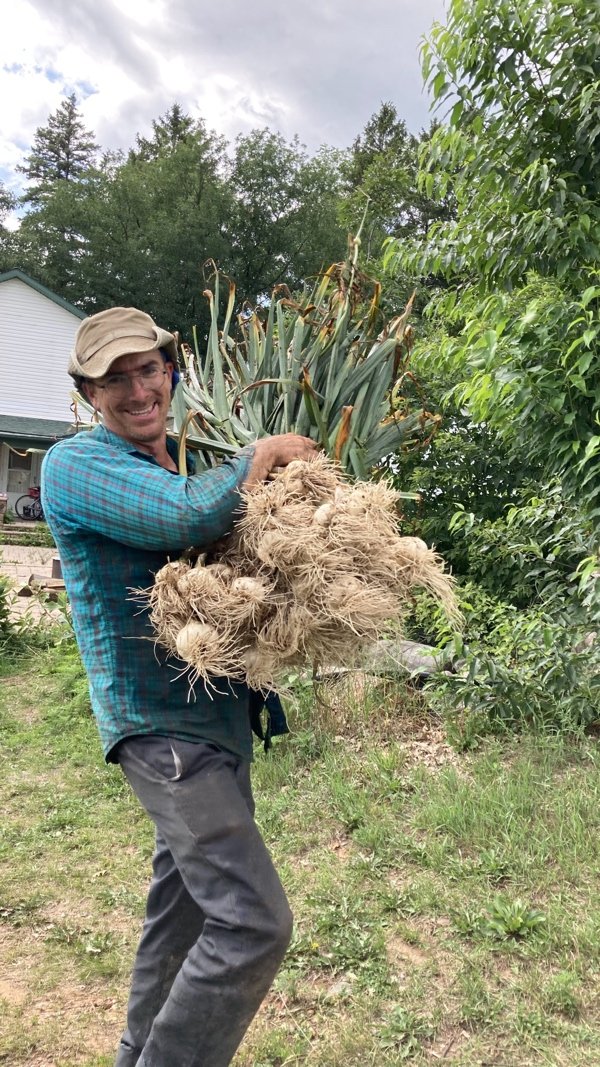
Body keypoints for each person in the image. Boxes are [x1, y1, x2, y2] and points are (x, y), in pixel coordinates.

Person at [41, 306, 317, 1067]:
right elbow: (186, 515)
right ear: (89, 395)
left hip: (212, 728)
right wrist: (263, 453)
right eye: (114, 379)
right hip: (163, 731)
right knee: (253, 922)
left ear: (171, 371)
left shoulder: (167, 464)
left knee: (186, 915)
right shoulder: (76, 466)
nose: (137, 389)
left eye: (148, 369)